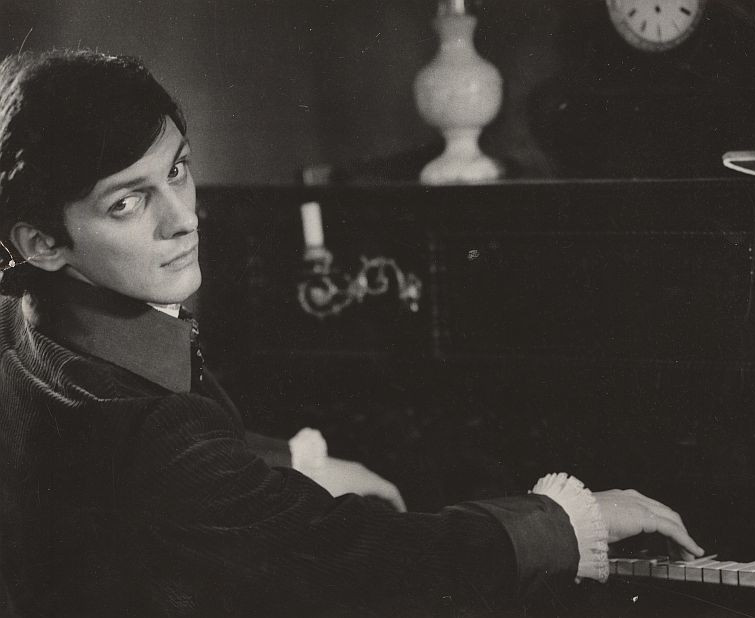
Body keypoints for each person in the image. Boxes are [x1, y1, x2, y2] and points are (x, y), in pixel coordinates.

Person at [0, 49, 702, 617]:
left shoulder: (23, 338)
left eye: (177, 169)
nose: (182, 218)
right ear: (42, 243)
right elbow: (356, 562)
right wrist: (569, 521)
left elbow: (178, 467)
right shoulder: (152, 436)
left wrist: (296, 461)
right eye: (128, 203)